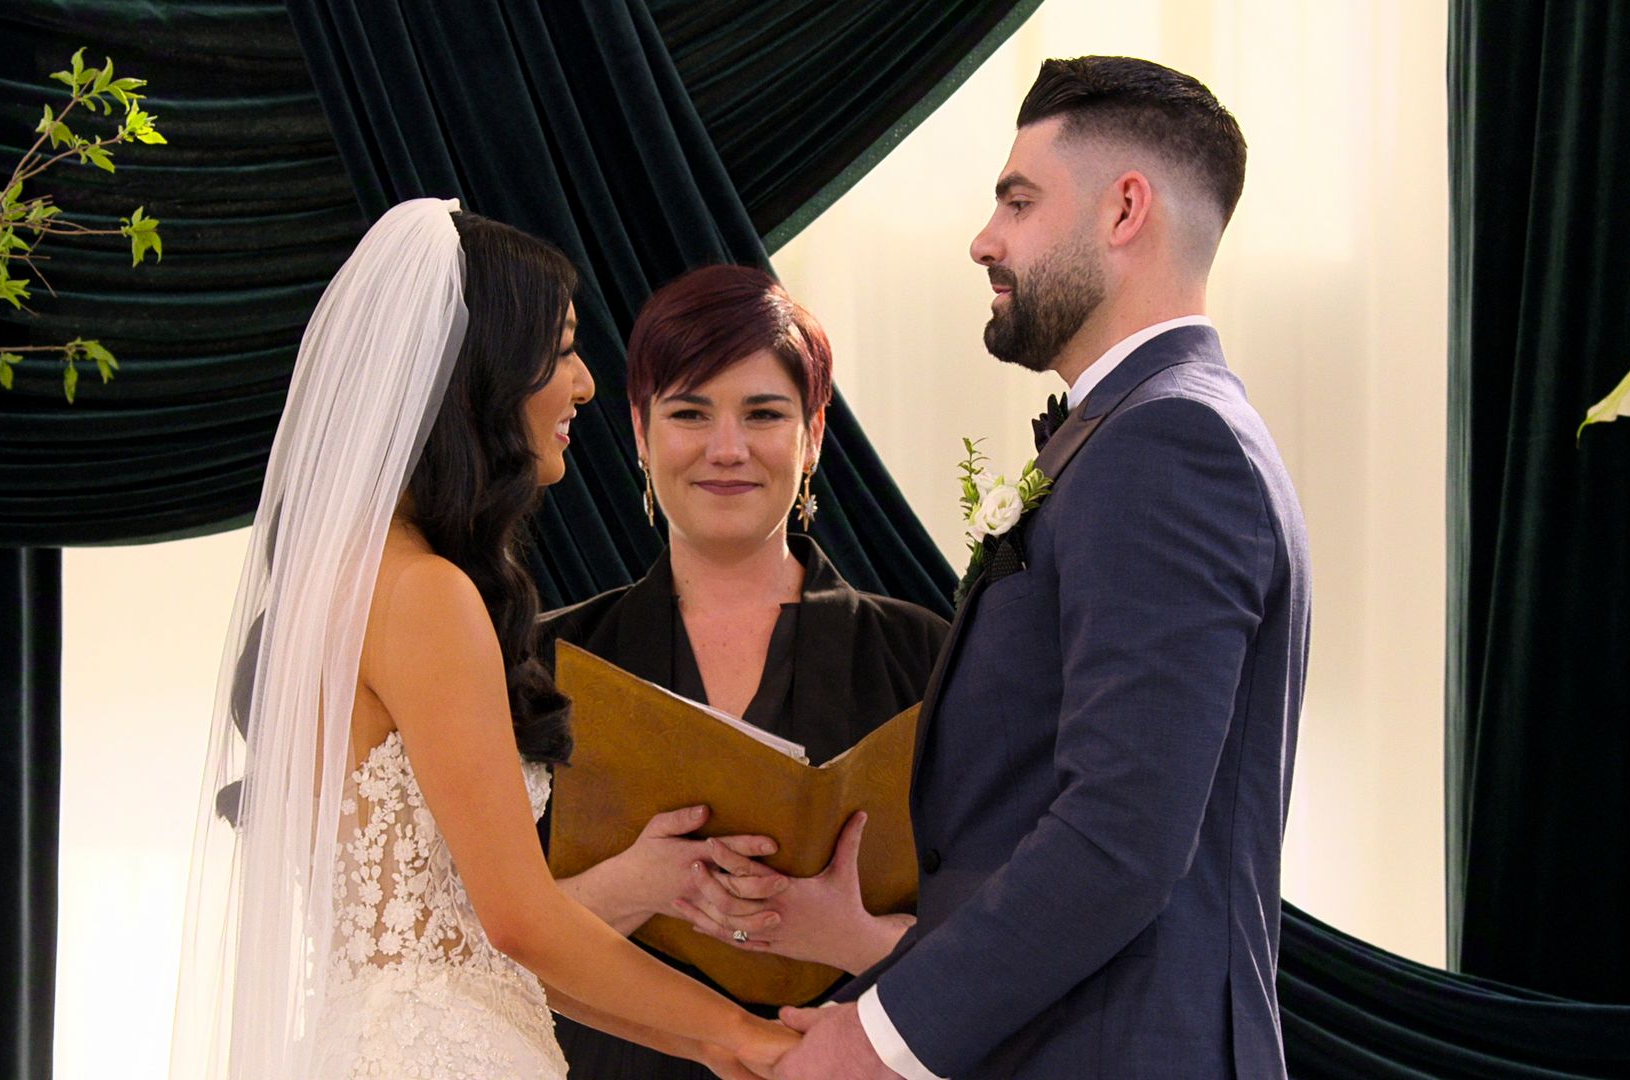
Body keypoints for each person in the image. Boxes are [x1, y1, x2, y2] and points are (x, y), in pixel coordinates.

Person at [770, 57, 1312, 1079]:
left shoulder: (1168, 444)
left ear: (1125, 210)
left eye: (1018, 203)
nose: (985, 240)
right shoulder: (1143, 429)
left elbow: (1119, 838)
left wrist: (877, 1043)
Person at [169, 200, 796, 1080]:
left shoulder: (342, 584)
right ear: (482, 375)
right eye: (563, 350)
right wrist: (742, 1031)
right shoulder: (423, 593)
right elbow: (520, 921)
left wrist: (711, 1045)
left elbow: (478, 947)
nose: (585, 384)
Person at [538, 264, 950, 1080]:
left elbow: (1005, 936)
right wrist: (636, 885)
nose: (726, 449)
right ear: (640, 432)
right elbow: (469, 938)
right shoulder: (540, 658)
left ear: (814, 433)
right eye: (689, 413)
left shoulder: (925, 656)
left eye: (764, 414)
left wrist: (852, 936)